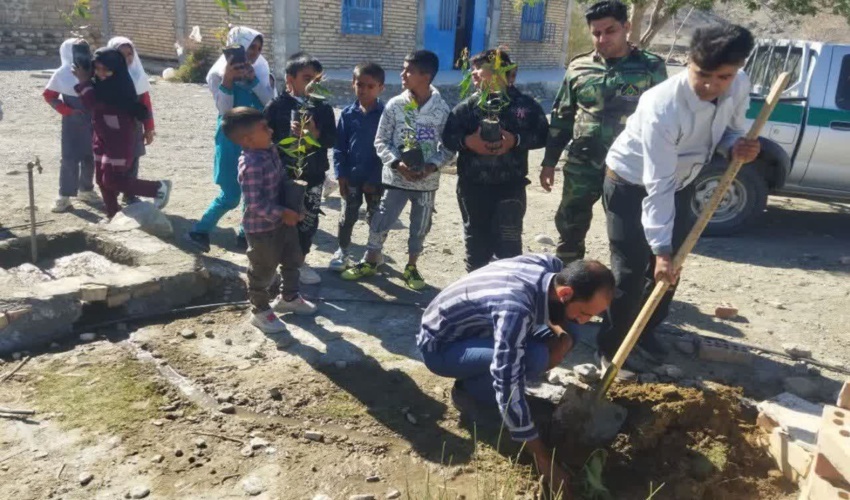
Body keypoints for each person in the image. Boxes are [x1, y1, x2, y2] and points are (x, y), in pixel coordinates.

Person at [597, 23, 760, 373]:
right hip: (631, 182)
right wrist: (660, 249)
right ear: (688, 62)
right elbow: (658, 184)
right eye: (702, 74)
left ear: (736, 71)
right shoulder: (663, 106)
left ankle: (647, 331)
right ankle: (612, 348)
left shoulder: (740, 84)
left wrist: (738, 146)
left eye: (723, 77)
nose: (710, 86)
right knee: (632, 269)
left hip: (683, 181)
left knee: (674, 268)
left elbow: (731, 131)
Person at [419, 255, 615, 495]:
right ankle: (472, 397)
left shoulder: (550, 267)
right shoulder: (514, 308)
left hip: (481, 328)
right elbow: (507, 380)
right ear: (565, 293)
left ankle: (496, 392)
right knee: (532, 357)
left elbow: (562, 320)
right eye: (586, 312)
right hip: (443, 347)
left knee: (571, 330)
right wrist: (543, 460)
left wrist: (563, 339)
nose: (586, 320)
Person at [540, 0, 667, 264]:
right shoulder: (578, 67)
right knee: (571, 224)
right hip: (583, 164)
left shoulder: (650, 67)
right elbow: (562, 116)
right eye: (596, 33)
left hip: (629, 168)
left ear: (626, 27)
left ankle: (626, 287)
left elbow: (664, 120)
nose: (602, 38)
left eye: (610, 31)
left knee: (626, 228)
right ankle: (571, 281)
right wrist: (549, 162)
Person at [341, 50, 455, 290]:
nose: (402, 74)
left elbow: (448, 148)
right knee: (381, 219)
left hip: (426, 182)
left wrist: (431, 166)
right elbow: (381, 140)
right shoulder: (395, 105)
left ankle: (412, 266)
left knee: (420, 225)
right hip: (395, 178)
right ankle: (371, 260)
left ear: (426, 76)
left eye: (409, 70)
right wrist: (396, 163)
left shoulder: (442, 110)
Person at [442, 49, 549, 272]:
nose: (473, 76)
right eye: (472, 71)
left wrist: (515, 140)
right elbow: (448, 137)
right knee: (476, 245)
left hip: (510, 188)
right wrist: (467, 142)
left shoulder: (525, 106)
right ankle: (476, 294)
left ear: (504, 74)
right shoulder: (468, 108)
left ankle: (507, 294)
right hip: (473, 187)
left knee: (509, 248)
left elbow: (543, 135)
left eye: (479, 71)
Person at [223, 107, 317, 334]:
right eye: (264, 128)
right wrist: (283, 213)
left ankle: (289, 297)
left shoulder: (269, 150)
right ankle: (260, 310)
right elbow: (255, 203)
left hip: (283, 223)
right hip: (262, 229)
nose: (271, 130)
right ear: (248, 139)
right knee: (262, 270)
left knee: (292, 258)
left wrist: (294, 204)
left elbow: (281, 180)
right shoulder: (251, 164)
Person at [185, 26, 275, 253]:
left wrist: (254, 81)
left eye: (257, 48)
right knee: (231, 194)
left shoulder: (261, 70)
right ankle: (200, 230)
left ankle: (244, 234)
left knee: (252, 190)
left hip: (255, 138)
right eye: (249, 48)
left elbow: (269, 103)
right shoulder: (218, 74)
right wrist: (228, 79)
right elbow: (224, 110)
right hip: (231, 139)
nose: (254, 53)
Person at [72, 48, 171, 220]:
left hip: (119, 140)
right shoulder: (100, 84)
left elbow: (93, 104)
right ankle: (113, 214)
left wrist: (83, 81)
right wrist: (86, 81)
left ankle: (157, 188)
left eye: (107, 69)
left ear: (116, 70)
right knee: (102, 180)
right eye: (98, 68)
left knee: (112, 179)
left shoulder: (118, 87)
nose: (102, 73)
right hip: (102, 138)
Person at [264, 52, 337, 285]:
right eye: (307, 78)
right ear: (289, 79)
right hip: (283, 177)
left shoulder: (323, 109)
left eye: (317, 79)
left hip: (314, 176)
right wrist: (287, 140)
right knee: (281, 220)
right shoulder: (276, 107)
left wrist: (315, 135)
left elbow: (331, 140)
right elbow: (264, 140)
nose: (312, 84)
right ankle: (275, 266)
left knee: (308, 220)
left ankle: (299, 262)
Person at [328, 62, 386, 272]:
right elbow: (339, 147)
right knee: (347, 216)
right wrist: (340, 174)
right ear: (353, 84)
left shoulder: (386, 114)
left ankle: (374, 252)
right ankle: (343, 251)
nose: (364, 90)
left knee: (376, 218)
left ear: (381, 88)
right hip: (352, 177)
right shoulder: (347, 113)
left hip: (376, 180)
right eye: (360, 84)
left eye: (371, 86)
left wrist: (375, 179)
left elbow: (387, 150)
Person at [44, 38, 99, 213]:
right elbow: (48, 95)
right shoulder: (61, 74)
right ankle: (64, 196)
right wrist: (67, 110)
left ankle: (86, 190)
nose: (82, 54)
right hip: (72, 124)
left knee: (91, 157)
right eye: (77, 50)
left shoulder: (95, 71)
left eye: (84, 50)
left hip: (95, 121)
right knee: (69, 158)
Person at [107, 36, 156, 205]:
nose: (127, 58)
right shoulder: (103, 76)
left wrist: (149, 128)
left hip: (133, 127)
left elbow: (145, 104)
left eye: (130, 54)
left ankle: (129, 194)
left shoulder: (137, 77)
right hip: (111, 128)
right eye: (121, 54)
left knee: (133, 159)